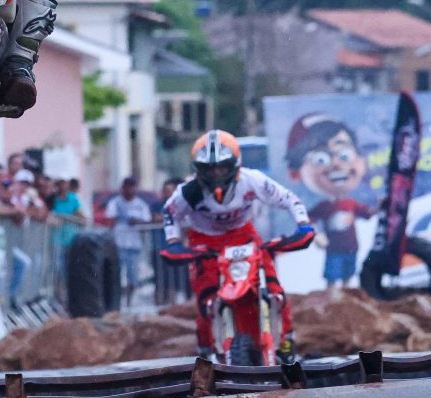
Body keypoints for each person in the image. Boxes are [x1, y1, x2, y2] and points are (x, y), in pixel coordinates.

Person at [161, 130, 315, 361]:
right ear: (198, 169)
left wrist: (303, 226)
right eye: (209, 169)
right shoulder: (188, 192)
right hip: (204, 242)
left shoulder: (252, 180)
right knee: (206, 302)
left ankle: (285, 342)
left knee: (274, 291)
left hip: (244, 236)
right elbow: (169, 212)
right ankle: (206, 352)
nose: (216, 174)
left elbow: (289, 198)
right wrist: (173, 242)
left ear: (234, 164)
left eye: (222, 167)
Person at [285, 113, 376, 288]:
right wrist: (316, 235)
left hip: (352, 248)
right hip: (333, 250)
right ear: (296, 172)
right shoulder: (324, 206)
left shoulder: (351, 204)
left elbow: (367, 213)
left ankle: (346, 305)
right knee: (332, 281)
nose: (336, 164)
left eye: (344, 155)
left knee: (348, 279)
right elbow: (307, 218)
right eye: (321, 159)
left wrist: (383, 205)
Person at [105, 177, 152, 308]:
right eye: (128, 187)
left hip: (134, 246)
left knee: (133, 277)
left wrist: (138, 222)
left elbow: (147, 221)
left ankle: (129, 303)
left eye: (133, 187)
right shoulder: (115, 203)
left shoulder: (141, 205)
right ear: (123, 188)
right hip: (118, 245)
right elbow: (109, 220)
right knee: (116, 276)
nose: (130, 190)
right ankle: (116, 303)